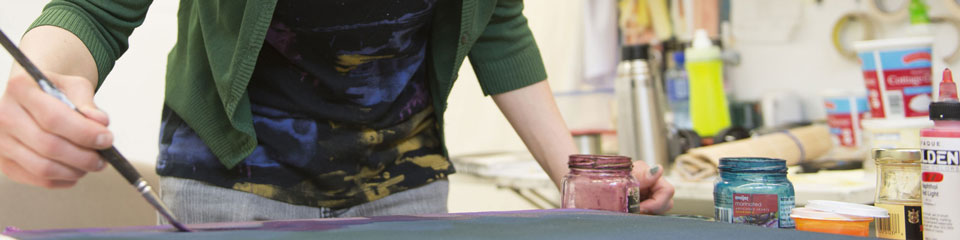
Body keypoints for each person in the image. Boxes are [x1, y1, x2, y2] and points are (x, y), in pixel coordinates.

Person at [0, 0, 674, 223]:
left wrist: (582, 175)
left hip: (405, 193)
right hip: (230, 193)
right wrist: (42, 88)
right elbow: (90, 11)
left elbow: (496, 20)